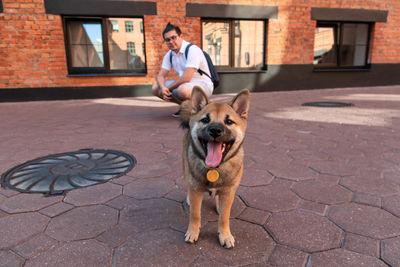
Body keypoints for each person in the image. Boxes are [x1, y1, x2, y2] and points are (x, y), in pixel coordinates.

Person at [152, 23, 214, 110]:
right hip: (185, 85)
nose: (171, 42)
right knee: (155, 88)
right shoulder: (169, 55)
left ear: (181, 36)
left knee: (183, 90)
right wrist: (162, 88)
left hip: (203, 85)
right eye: (167, 40)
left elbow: (186, 78)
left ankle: (198, 108)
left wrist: (167, 89)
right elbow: (161, 75)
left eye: (173, 37)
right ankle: (184, 107)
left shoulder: (192, 50)